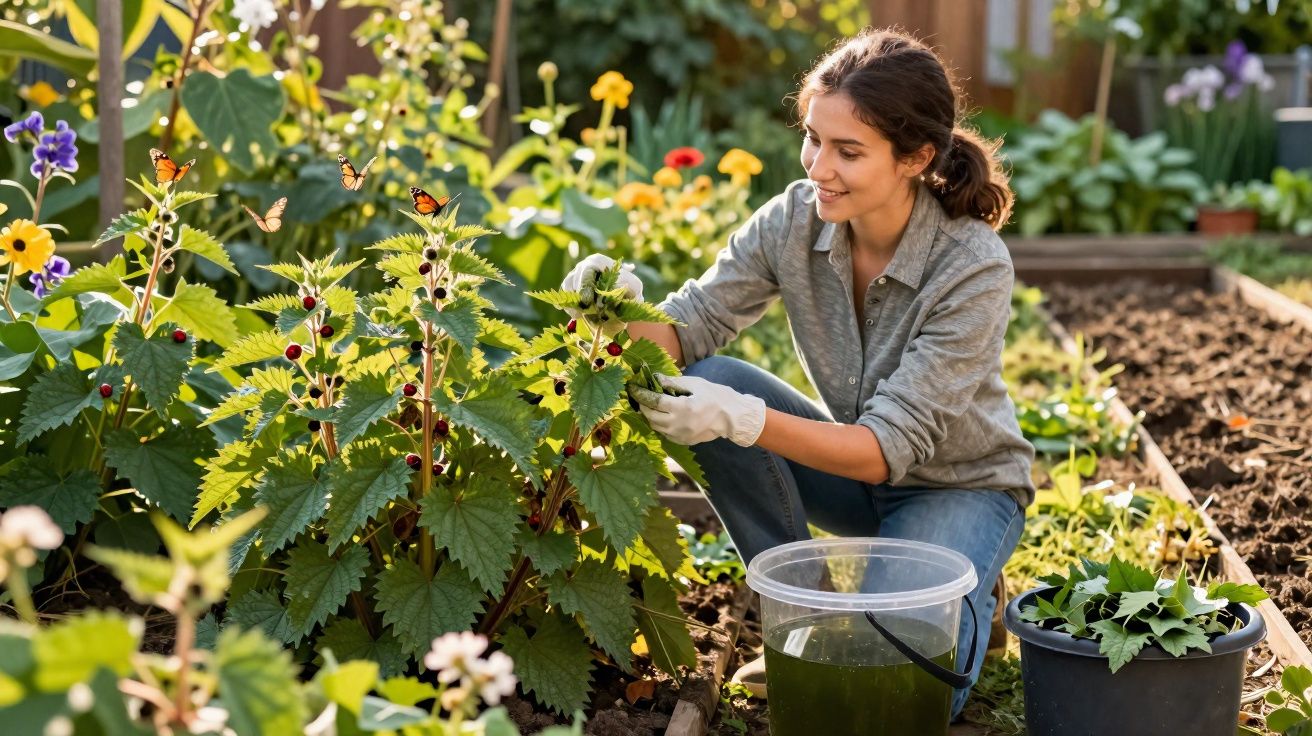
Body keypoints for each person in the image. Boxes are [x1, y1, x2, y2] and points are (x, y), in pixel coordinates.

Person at [561, 28, 1034, 720]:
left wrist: (743, 420)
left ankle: (966, 584)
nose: (819, 167)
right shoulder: (793, 219)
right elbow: (687, 329)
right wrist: (605, 308)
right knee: (713, 373)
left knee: (893, 681)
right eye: (814, 138)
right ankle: (809, 614)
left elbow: (885, 451)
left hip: (960, 485)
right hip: (852, 473)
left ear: (917, 158)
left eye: (849, 152)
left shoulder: (971, 265)